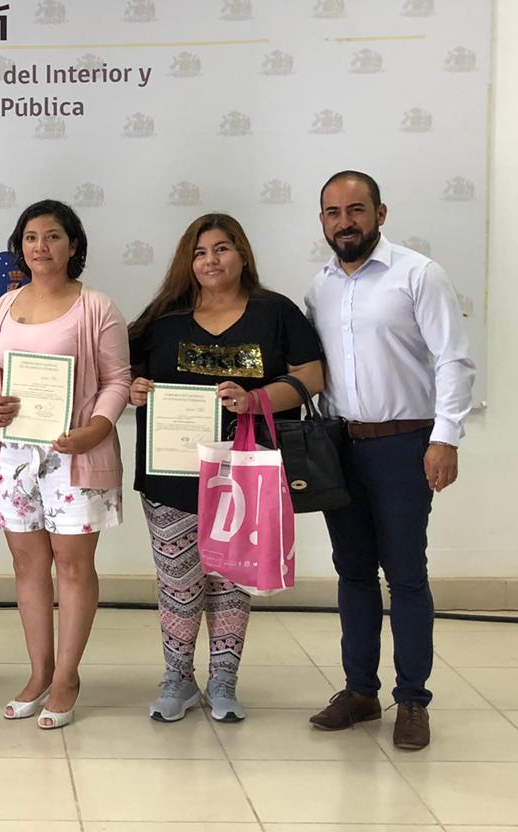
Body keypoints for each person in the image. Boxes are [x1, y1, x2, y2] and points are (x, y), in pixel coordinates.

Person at [127, 213, 324, 723]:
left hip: (245, 474)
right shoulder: (164, 317)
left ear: (242, 254)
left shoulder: (275, 312)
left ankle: (223, 682)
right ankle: (177, 678)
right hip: (171, 474)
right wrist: (134, 388)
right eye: (199, 252)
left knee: (231, 579)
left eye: (221, 248)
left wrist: (257, 400)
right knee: (178, 579)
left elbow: (312, 375)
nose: (210, 260)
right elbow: (121, 371)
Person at [305, 170, 475, 751]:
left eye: (356, 209)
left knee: (404, 575)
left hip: (405, 444)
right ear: (322, 220)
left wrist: (445, 438)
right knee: (352, 571)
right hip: (340, 447)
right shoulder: (320, 287)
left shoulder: (418, 274)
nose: (344, 222)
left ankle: (412, 700)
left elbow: (453, 360)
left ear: (380, 213)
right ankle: (359, 692)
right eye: (333, 212)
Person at [0, 199, 131, 730]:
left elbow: (117, 380)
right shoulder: (5, 305)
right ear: (19, 247)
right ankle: (39, 672)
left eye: (52, 236)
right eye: (30, 237)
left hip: (75, 454)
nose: (40, 247)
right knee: (27, 565)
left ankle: (67, 677)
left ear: (73, 245)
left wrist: (98, 428)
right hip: (16, 456)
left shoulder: (97, 307)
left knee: (72, 566)